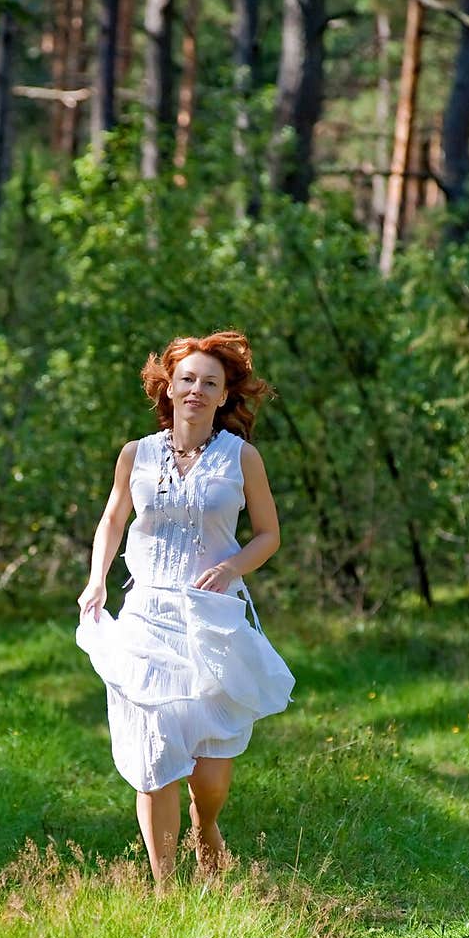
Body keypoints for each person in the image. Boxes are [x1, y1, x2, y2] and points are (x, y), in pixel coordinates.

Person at [76, 330, 295, 888]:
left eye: (210, 382)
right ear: (168, 387)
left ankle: (207, 830)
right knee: (156, 757)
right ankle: (166, 890)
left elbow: (268, 535)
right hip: (146, 616)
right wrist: (97, 581)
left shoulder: (241, 458)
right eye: (187, 379)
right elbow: (112, 521)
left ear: (225, 396)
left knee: (212, 777)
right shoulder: (137, 455)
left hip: (211, 618)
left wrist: (232, 568)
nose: (197, 389)